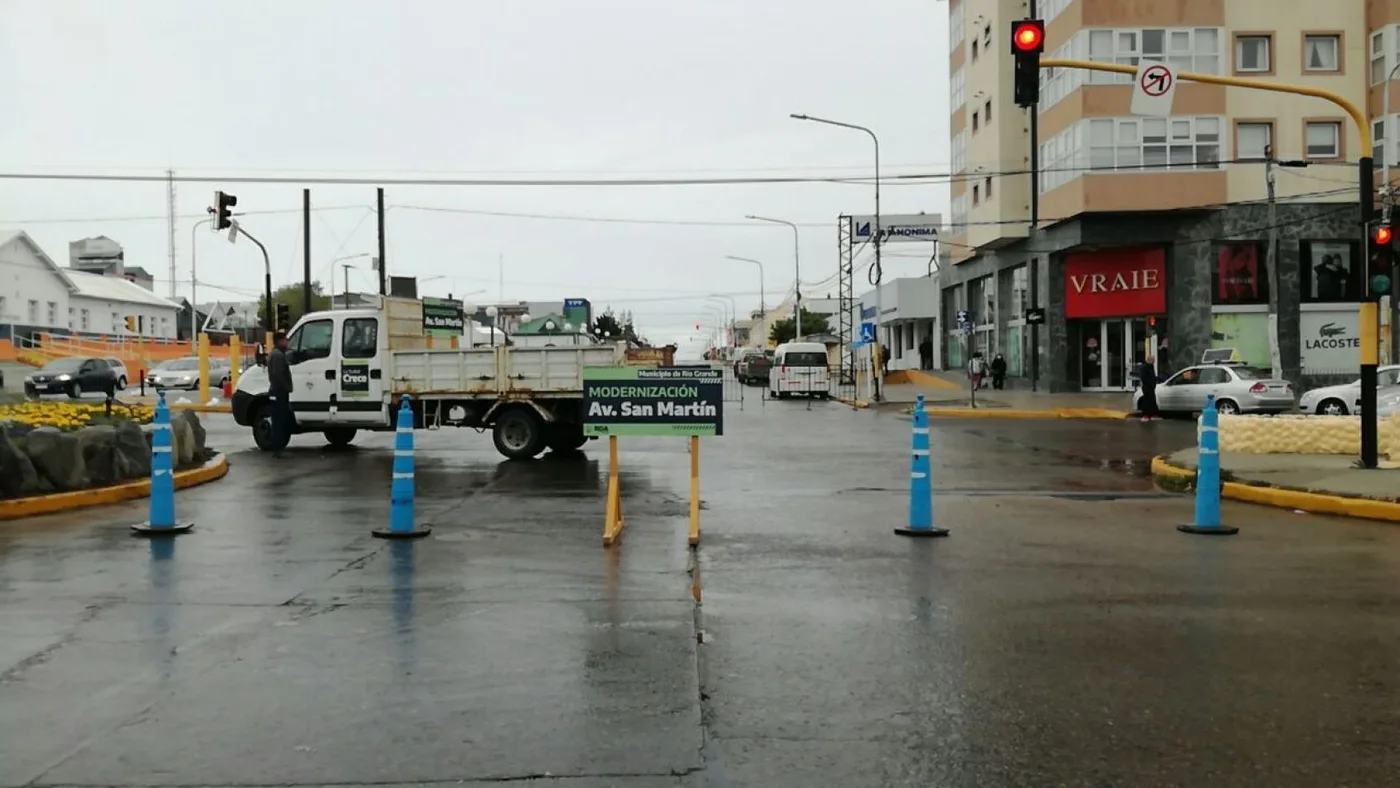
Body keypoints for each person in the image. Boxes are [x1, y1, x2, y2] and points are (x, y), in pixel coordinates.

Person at [266, 332, 293, 457]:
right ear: (279, 341)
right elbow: (278, 376)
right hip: (278, 393)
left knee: (280, 420)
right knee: (278, 421)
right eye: (285, 340)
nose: (287, 343)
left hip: (278, 392)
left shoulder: (277, 354)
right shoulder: (277, 356)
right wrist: (286, 388)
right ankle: (277, 449)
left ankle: (278, 448)